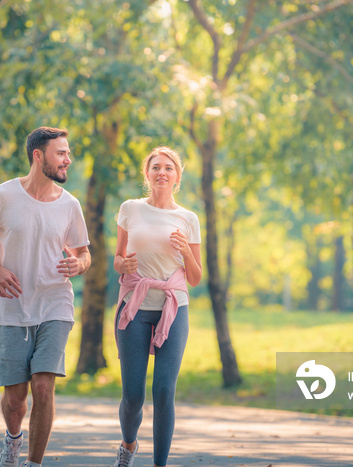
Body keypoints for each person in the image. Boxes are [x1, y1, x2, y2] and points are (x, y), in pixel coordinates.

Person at [0, 127, 91, 467]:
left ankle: (34, 463)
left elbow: (83, 252)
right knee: (16, 397)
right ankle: (13, 439)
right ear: (38, 155)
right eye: (60, 153)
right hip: (13, 306)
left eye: (67, 153)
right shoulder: (2, 196)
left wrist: (79, 263)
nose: (67, 159)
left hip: (55, 303)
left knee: (43, 386)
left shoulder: (69, 204)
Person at [111, 146, 202, 467]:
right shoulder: (130, 209)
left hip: (173, 308)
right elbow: (118, 259)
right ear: (147, 175)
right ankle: (128, 445)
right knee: (134, 395)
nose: (162, 172)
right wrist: (123, 265)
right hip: (134, 308)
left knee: (164, 391)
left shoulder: (188, 218)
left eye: (169, 168)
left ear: (177, 177)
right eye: (156, 167)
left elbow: (195, 277)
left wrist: (186, 253)